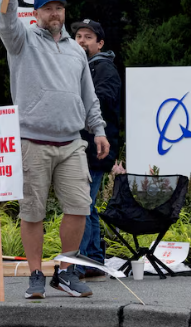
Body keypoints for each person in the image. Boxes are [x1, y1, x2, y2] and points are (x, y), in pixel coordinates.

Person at [0, 0, 110, 299]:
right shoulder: (22, 40)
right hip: (32, 141)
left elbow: (89, 96)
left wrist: (98, 130)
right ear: (36, 13)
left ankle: (65, 271)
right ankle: (35, 274)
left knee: (79, 207)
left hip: (73, 142)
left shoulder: (76, 50)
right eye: (47, 8)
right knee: (32, 211)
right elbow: (5, 22)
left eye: (59, 8)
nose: (54, 13)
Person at [71, 18, 121, 278]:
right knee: (87, 205)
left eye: (88, 37)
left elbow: (100, 102)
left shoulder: (103, 69)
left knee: (82, 205)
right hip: (86, 148)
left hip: (95, 149)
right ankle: (92, 260)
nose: (81, 41)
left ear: (100, 44)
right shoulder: (82, 67)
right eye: (78, 36)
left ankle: (81, 263)